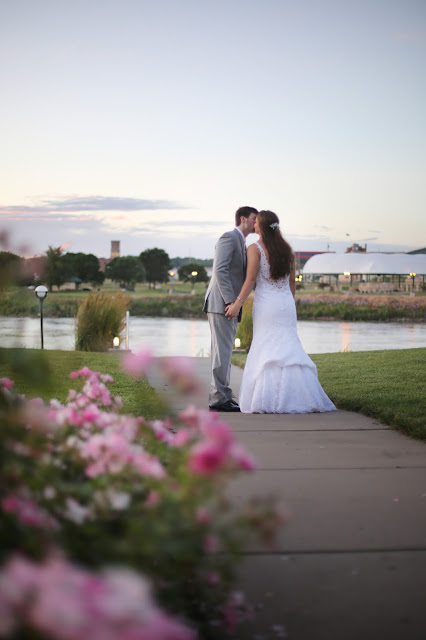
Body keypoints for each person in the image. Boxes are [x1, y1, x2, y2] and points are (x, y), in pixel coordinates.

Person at [225, 210, 336, 414]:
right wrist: (288, 302)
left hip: (267, 305)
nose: (254, 225)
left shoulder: (254, 248)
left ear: (262, 227)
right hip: (286, 304)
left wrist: (237, 304)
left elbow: (250, 281)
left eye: (256, 222)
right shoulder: (287, 249)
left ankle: (267, 400)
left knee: (266, 346)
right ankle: (299, 396)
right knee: (288, 347)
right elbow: (292, 282)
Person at [203, 206, 258, 412]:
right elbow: (220, 270)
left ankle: (224, 395)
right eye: (254, 219)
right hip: (221, 304)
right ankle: (218, 400)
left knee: (224, 352)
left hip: (227, 305)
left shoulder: (242, 242)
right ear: (243, 219)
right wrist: (230, 302)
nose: (256, 223)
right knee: (221, 352)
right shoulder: (229, 237)